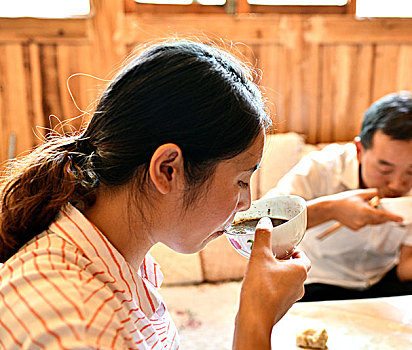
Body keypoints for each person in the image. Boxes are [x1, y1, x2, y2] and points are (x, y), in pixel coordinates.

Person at [0, 40, 310, 349]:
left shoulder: (118, 261)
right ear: (167, 170)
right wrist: (256, 318)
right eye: (242, 181)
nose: (246, 203)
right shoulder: (80, 321)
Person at [267, 91, 412, 302]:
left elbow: (408, 267)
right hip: (319, 283)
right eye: (384, 169)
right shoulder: (320, 168)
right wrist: (330, 209)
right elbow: (260, 224)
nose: (397, 184)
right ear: (359, 150)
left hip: (382, 281)